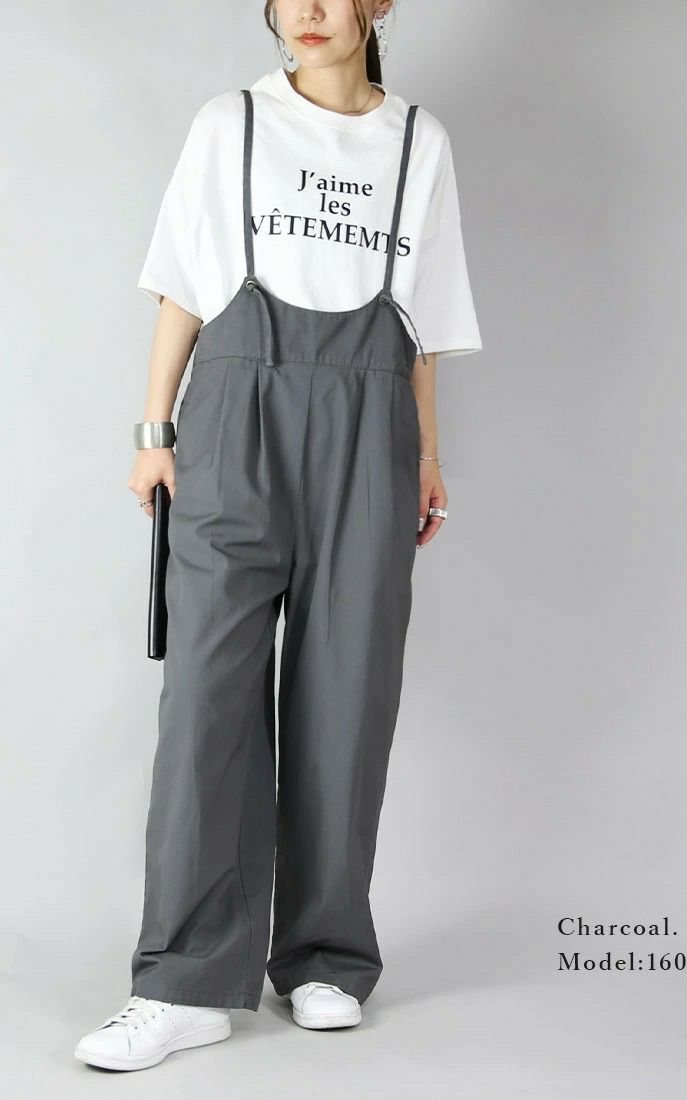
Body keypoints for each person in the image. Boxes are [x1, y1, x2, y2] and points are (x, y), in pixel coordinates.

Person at [75, 0, 481, 1072]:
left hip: (371, 422)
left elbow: (420, 323)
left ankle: (323, 957)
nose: (307, 10)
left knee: (349, 691)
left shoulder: (419, 142)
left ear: (376, 5)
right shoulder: (233, 123)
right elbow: (181, 283)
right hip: (233, 415)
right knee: (206, 696)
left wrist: (427, 455)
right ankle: (183, 983)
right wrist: (154, 432)